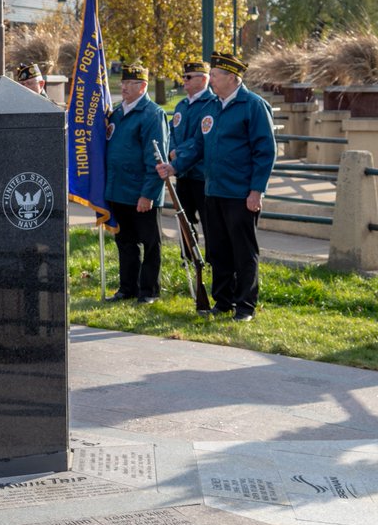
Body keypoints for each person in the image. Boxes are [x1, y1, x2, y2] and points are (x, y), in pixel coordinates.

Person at [158, 51, 276, 322]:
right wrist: (175, 167)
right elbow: (198, 146)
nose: (210, 78)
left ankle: (245, 305)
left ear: (232, 78)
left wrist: (256, 190)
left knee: (243, 251)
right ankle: (223, 301)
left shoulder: (252, 106)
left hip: (240, 194)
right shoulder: (211, 108)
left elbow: (265, 151)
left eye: (215, 75)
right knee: (218, 249)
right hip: (213, 191)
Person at [104, 62, 169, 304]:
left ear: (142, 86)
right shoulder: (117, 114)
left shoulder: (152, 114)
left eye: (130, 83)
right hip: (118, 189)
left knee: (150, 242)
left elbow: (156, 157)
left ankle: (149, 290)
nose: (124, 87)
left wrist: (148, 194)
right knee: (126, 242)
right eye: (122, 82)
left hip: (141, 192)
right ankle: (127, 287)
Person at [168, 60, 216, 237]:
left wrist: (178, 153)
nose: (184, 80)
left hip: (201, 175)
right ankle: (188, 259)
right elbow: (172, 131)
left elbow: (201, 138)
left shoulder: (211, 104)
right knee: (184, 221)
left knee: (209, 223)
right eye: (183, 76)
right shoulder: (181, 105)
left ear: (203, 79)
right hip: (182, 174)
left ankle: (211, 262)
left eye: (188, 77)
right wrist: (172, 150)